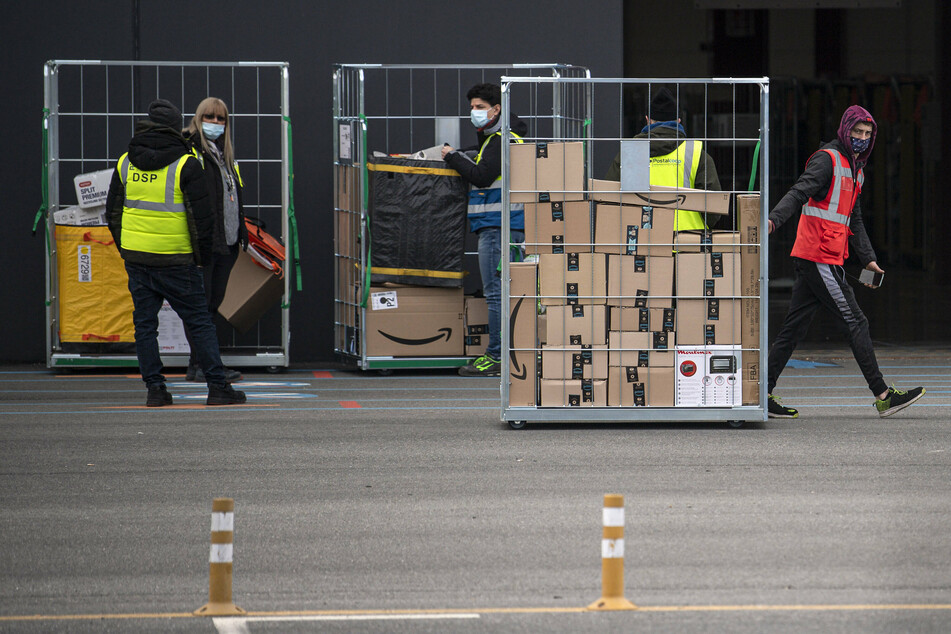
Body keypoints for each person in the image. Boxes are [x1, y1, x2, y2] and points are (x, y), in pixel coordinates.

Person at [765, 105, 924, 419]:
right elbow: (798, 192)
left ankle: (761, 393)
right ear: (845, 131)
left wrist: (869, 260)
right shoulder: (828, 160)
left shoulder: (856, 169)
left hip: (825, 257)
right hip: (818, 257)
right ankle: (882, 395)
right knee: (856, 321)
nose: (862, 139)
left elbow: (855, 219)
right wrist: (773, 220)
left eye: (867, 134)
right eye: (857, 133)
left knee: (792, 331)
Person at [105, 99, 246, 407]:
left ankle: (155, 390)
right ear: (176, 126)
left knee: (144, 325)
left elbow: (112, 213)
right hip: (178, 258)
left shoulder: (125, 162)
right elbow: (203, 219)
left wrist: (126, 247)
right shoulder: (186, 163)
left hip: (138, 258)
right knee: (200, 321)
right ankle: (217, 387)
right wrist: (201, 258)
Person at [442, 83, 527, 377]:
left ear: (496, 109)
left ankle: (495, 356)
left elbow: (481, 175)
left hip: (498, 229)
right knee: (507, 293)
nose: (474, 113)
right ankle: (507, 353)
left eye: (479, 107)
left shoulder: (501, 140)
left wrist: (452, 157)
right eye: (472, 108)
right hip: (506, 228)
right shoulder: (500, 139)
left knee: (496, 294)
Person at [182, 97, 247, 383]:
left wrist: (240, 233)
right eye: (210, 117)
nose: (216, 123)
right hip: (204, 246)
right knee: (201, 307)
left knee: (212, 306)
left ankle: (202, 364)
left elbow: (232, 199)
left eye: (221, 119)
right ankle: (204, 366)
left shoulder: (225, 155)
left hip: (227, 243)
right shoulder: (190, 152)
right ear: (198, 118)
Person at [604, 87, 721, 231]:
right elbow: (714, 210)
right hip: (687, 243)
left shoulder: (631, 152)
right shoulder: (696, 153)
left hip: (642, 242)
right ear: (678, 120)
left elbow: (609, 199)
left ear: (648, 120)